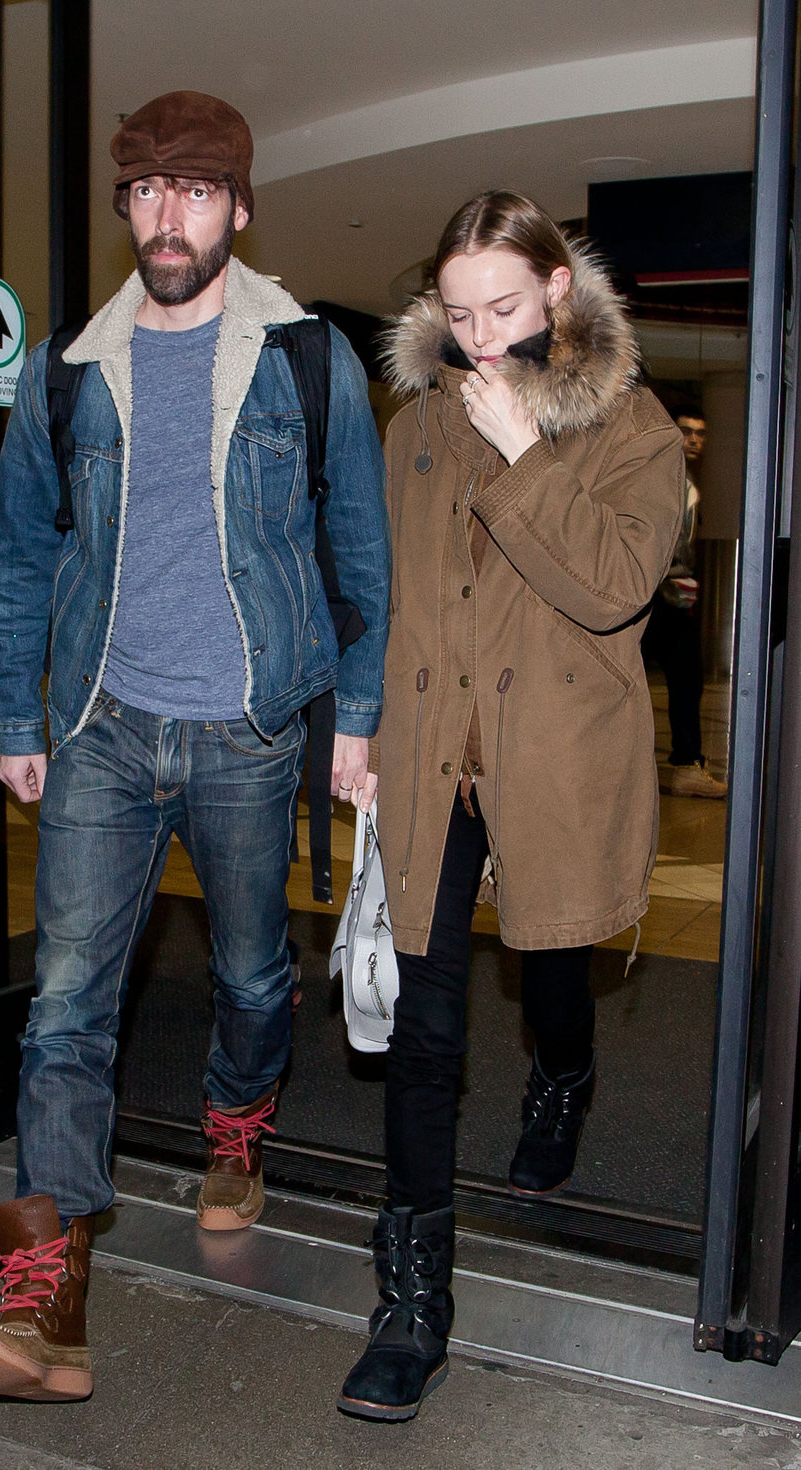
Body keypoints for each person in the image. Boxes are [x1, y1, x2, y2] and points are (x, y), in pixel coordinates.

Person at [0, 90, 389, 1402]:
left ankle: (235, 1124)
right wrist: (16, 720)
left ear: (239, 209)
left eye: (195, 191)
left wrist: (353, 719)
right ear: (125, 208)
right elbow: (20, 553)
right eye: (145, 191)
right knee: (66, 1010)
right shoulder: (69, 371)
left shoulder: (309, 362)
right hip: (102, 727)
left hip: (252, 731)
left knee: (256, 978)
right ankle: (45, 1308)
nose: (167, 216)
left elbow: (360, 555)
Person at [336, 190, 684, 1422]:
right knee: (425, 1035)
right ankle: (413, 1300)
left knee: (551, 972)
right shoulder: (414, 424)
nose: (482, 338)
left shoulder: (634, 428)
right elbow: (385, 590)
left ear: (556, 292)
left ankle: (565, 1073)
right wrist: (361, 722)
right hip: (435, 758)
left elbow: (613, 585)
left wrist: (531, 455)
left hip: (554, 756)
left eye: (505, 306)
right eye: (459, 311)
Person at [642, 409, 728, 797]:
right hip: (651, 595)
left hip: (674, 597)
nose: (693, 440)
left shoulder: (690, 482)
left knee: (687, 681)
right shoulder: (656, 475)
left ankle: (685, 763)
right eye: (686, 432)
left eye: (700, 434)